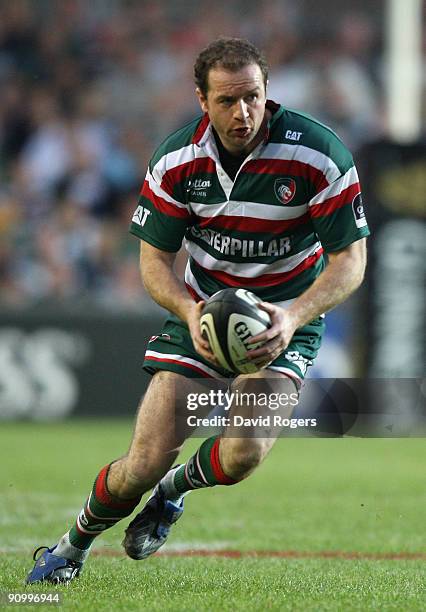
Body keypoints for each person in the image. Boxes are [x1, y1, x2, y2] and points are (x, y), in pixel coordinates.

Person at [27, 37, 369, 584]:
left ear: (267, 92)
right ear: (201, 100)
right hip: (201, 318)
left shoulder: (318, 154)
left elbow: (350, 260)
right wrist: (189, 313)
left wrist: (294, 315)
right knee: (141, 464)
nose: (244, 113)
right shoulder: (175, 162)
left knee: (242, 456)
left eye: (253, 97)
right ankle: (72, 546)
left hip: (283, 322)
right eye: (229, 101)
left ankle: (174, 491)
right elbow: (154, 264)